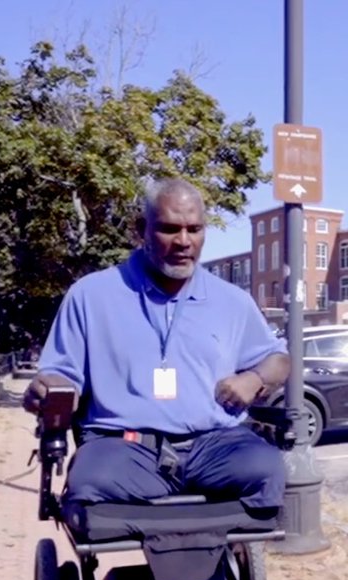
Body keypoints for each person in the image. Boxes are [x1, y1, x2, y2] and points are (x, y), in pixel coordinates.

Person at [26, 177, 291, 510]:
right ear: (142, 229)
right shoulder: (91, 296)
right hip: (125, 448)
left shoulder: (232, 301)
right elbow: (61, 375)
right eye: (169, 229)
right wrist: (47, 391)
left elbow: (278, 358)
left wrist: (254, 378)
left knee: (268, 469)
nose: (183, 242)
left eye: (194, 230)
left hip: (215, 446)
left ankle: (219, 556)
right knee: (89, 482)